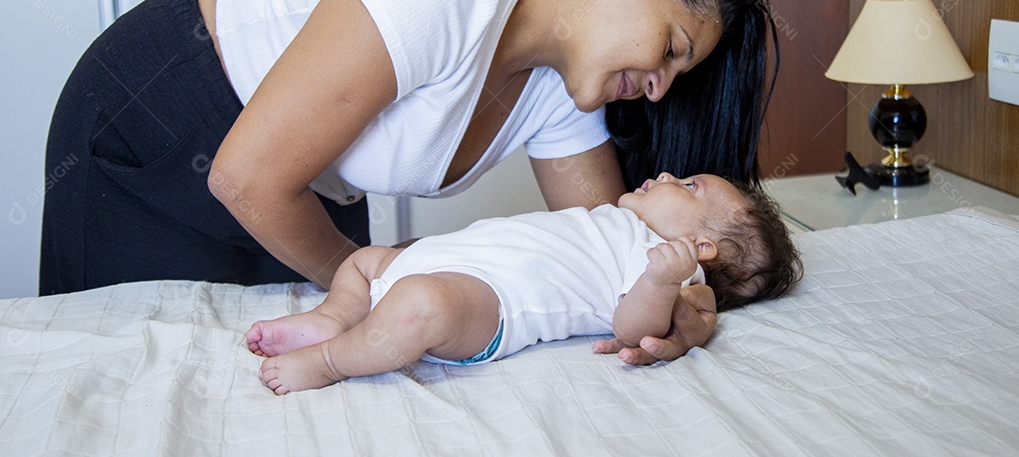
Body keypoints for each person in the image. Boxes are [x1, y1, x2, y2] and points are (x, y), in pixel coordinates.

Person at [39, 0, 777, 302]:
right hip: (161, 115)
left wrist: (679, 307)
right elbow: (247, 177)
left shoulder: (563, 93)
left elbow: (608, 249)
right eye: (673, 48)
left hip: (301, 185)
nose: (660, 86)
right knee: (127, 377)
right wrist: (375, 282)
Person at [246, 172, 802, 394]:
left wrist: (661, 281)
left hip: (490, 305)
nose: (666, 175)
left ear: (701, 248)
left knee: (418, 307)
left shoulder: (667, 267)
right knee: (367, 259)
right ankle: (334, 317)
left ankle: (328, 361)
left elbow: (632, 328)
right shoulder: (619, 220)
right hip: (444, 262)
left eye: (689, 186)